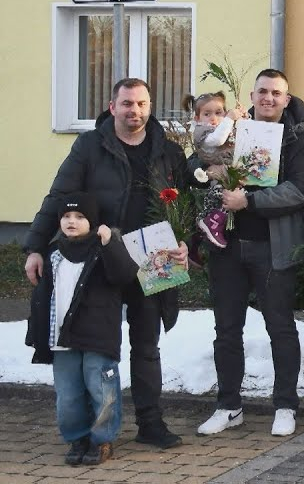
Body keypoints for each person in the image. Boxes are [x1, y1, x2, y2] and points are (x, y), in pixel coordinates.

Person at [24, 77, 189, 450]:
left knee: (147, 346)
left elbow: (186, 208)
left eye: (142, 104)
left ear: (151, 107)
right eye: (127, 103)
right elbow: (59, 196)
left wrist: (186, 243)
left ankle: (151, 423)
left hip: (153, 256)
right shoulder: (90, 145)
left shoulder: (170, 153)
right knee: (94, 348)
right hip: (99, 261)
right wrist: (35, 246)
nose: (135, 111)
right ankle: (88, 432)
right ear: (112, 106)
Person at [194, 70, 304, 438]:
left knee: (280, 327)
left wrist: (249, 199)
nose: (268, 98)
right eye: (262, 91)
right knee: (226, 330)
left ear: (287, 99)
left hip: (273, 247)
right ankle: (229, 406)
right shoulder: (234, 128)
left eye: (276, 93)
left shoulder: (299, 141)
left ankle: (285, 405)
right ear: (252, 94)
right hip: (227, 247)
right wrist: (206, 169)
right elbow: (195, 159)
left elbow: (299, 191)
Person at [26, 193, 138, 467]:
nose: (72, 222)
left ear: (93, 221)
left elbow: (124, 274)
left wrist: (110, 241)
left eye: (79, 217)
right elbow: (44, 296)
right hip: (62, 338)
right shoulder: (54, 253)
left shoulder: (102, 249)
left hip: (97, 336)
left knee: (101, 389)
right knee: (68, 394)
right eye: (66, 217)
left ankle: (102, 440)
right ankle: (77, 438)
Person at [187, 91, 247, 248]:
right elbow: (218, 139)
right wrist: (229, 119)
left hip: (230, 172)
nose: (213, 118)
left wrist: (243, 119)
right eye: (207, 114)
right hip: (218, 176)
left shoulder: (223, 127)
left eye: (218, 113)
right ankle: (211, 224)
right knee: (222, 199)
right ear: (197, 119)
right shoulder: (203, 132)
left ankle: (204, 231)